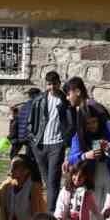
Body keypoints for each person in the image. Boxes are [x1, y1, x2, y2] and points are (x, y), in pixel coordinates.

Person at [27, 72, 75, 212]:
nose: (52, 87)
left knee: (53, 181)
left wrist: (65, 143)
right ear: (46, 84)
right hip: (40, 145)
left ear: (59, 83)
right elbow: (31, 122)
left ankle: (51, 214)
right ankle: (53, 209)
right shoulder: (39, 100)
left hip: (57, 145)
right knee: (47, 181)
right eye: (49, 84)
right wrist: (33, 140)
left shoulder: (65, 101)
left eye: (54, 84)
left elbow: (71, 124)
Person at [9, 87, 40, 154]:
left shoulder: (23, 106)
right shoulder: (36, 106)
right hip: (29, 136)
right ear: (36, 95)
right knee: (31, 157)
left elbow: (15, 121)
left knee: (15, 155)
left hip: (20, 136)